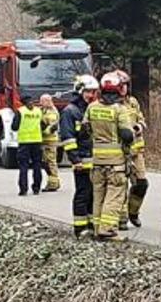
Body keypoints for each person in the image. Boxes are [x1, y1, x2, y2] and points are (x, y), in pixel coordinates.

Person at [79, 73, 135, 239]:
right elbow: (126, 135)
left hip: (97, 161)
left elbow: (83, 132)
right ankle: (108, 230)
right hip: (115, 163)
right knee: (114, 195)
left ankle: (97, 228)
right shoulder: (119, 110)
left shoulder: (92, 107)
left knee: (99, 196)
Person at [115, 70, 150, 228]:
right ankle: (120, 219)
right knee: (120, 185)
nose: (123, 88)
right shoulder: (111, 104)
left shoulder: (133, 102)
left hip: (137, 152)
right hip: (120, 152)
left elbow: (141, 119)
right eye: (120, 85)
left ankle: (133, 212)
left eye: (125, 85)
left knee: (141, 183)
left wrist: (139, 126)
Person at [64, 75, 97, 235]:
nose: (91, 95)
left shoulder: (91, 109)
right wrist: (75, 159)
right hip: (81, 160)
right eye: (88, 92)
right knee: (83, 192)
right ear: (80, 91)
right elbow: (68, 138)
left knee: (93, 193)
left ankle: (91, 224)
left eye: (93, 92)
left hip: (94, 159)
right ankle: (80, 227)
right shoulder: (70, 111)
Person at [14, 96, 46, 196]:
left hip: (24, 142)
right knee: (37, 165)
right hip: (37, 141)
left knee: (24, 166)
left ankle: (23, 189)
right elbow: (43, 125)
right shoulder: (38, 111)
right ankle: (36, 188)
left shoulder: (20, 111)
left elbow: (14, 127)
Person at [39, 94, 63, 192]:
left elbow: (51, 127)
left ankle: (53, 183)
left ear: (48, 101)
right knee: (46, 162)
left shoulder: (52, 112)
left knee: (51, 162)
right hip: (44, 140)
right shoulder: (42, 110)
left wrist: (42, 129)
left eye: (43, 101)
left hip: (50, 141)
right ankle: (52, 181)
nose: (41, 103)